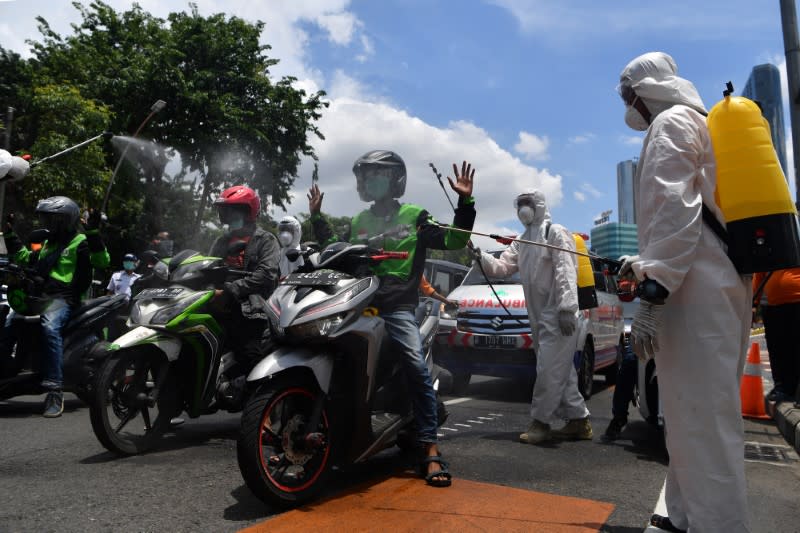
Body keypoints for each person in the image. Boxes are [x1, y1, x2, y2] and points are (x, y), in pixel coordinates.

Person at [617, 52, 752, 533]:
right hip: (721, 279)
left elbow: (671, 209)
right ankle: (683, 513)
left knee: (699, 418)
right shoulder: (703, 120)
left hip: (692, 284)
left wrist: (654, 284)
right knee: (695, 411)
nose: (628, 107)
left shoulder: (670, 124)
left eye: (628, 95)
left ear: (643, 90)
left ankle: (718, 525)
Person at [308, 150, 476, 487]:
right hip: (359, 302)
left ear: (395, 179)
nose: (371, 180)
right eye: (367, 175)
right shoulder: (359, 221)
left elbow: (454, 239)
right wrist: (317, 219)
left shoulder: (415, 215)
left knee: (414, 363)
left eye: (378, 174)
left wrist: (465, 203)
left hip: (397, 306)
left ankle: (429, 448)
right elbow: (336, 253)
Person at [473, 189, 591, 445]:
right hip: (538, 317)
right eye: (520, 204)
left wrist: (567, 309)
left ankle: (541, 423)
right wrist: (480, 256)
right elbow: (502, 268)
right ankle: (579, 422)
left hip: (560, 314)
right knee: (560, 370)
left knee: (548, 370)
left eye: (528, 203)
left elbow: (565, 271)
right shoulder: (522, 240)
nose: (523, 209)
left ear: (539, 205)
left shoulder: (555, 232)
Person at [0, 197, 110, 417]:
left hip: (63, 298)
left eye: (52, 219)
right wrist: (10, 233)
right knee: (10, 322)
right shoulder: (48, 242)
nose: (48, 223)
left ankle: (54, 389)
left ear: (65, 220)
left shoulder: (81, 242)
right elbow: (24, 258)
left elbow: (102, 262)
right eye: (45, 218)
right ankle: (7, 372)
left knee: (49, 328)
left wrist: (94, 233)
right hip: (39, 297)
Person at [209, 185, 280, 404]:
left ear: (248, 212)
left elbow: (267, 274)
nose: (228, 216)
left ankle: (258, 407)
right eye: (225, 211)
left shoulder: (266, 240)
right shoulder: (221, 241)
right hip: (217, 302)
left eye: (233, 211)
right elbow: (207, 266)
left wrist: (231, 289)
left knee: (253, 359)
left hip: (251, 307)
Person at [752, 268, 800, 404]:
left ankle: (790, 390)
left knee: (793, 347)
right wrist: (754, 302)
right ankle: (783, 389)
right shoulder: (771, 247)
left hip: (796, 298)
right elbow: (759, 271)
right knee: (778, 348)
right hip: (773, 303)